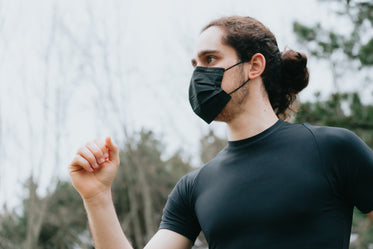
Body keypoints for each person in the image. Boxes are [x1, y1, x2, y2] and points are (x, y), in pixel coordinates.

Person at [69, 16, 373, 249]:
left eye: (210, 59)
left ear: (254, 66)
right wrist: (97, 196)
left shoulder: (332, 148)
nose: (199, 75)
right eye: (195, 65)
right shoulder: (193, 188)